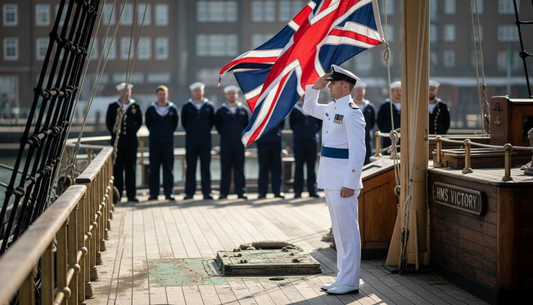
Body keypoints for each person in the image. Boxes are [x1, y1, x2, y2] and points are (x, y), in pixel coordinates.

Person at [303, 65, 365, 295]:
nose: (329, 85)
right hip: (330, 179)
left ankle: (350, 281)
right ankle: (342, 278)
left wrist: (350, 183)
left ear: (345, 86)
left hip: (343, 182)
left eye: (332, 83)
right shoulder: (331, 108)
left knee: (347, 232)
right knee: (338, 233)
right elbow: (309, 107)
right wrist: (314, 88)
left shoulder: (351, 112)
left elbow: (358, 152)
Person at [105, 83, 142, 202]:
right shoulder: (113, 106)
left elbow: (139, 122)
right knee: (117, 169)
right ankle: (118, 194)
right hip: (118, 143)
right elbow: (109, 122)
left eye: (127, 92)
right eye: (123, 92)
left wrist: (131, 132)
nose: (125, 94)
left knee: (131, 168)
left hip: (131, 143)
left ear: (130, 93)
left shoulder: (135, 106)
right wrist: (116, 133)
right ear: (119, 93)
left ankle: (132, 195)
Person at [215, 85, 250, 199]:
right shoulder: (221, 111)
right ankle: (223, 192)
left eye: (233, 93)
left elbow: (247, 125)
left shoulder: (243, 110)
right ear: (226, 95)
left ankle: (241, 192)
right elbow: (217, 125)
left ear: (237, 95)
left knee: (240, 168)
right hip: (226, 144)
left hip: (239, 144)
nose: (231, 95)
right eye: (229, 93)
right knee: (225, 168)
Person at [182, 82, 215, 200]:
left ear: (203, 92)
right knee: (191, 167)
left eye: (199, 90)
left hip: (205, 141)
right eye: (195, 90)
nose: (198, 92)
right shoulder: (187, 106)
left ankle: (207, 192)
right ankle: (189, 193)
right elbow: (184, 122)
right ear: (192, 92)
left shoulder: (209, 106)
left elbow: (212, 122)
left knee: (205, 167)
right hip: (191, 141)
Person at [145, 85, 179, 201]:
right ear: (156, 95)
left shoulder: (173, 109)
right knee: (154, 168)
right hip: (154, 143)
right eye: (160, 94)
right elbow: (148, 124)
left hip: (168, 143)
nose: (162, 96)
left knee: (168, 168)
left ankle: (169, 193)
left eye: (164, 94)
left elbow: (175, 124)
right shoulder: (151, 109)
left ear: (167, 95)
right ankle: (153, 194)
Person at [289, 96, 321, 198]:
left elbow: (319, 123)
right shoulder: (295, 109)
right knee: (299, 166)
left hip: (312, 141)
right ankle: (297, 191)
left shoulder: (314, 109)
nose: (303, 98)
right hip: (299, 142)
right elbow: (291, 124)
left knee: (311, 167)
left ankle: (313, 190)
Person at [256, 120, 285, 199]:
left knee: (277, 168)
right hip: (262, 141)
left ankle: (277, 191)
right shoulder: (259, 108)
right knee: (263, 167)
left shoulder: (277, 108)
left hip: (276, 141)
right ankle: (262, 192)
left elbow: (281, 121)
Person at [352, 82, 376, 164]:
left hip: (366, 136)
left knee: (367, 158)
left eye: (361, 91)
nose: (359, 93)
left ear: (364, 92)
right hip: (352, 136)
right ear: (353, 92)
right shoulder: (349, 105)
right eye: (357, 91)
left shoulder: (370, 106)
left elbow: (373, 121)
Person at [376, 81, 401, 150]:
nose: (399, 92)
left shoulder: (406, 105)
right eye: (397, 90)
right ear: (392, 91)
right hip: (388, 138)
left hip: (404, 138)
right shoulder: (385, 106)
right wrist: (386, 130)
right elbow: (379, 121)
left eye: (400, 90)